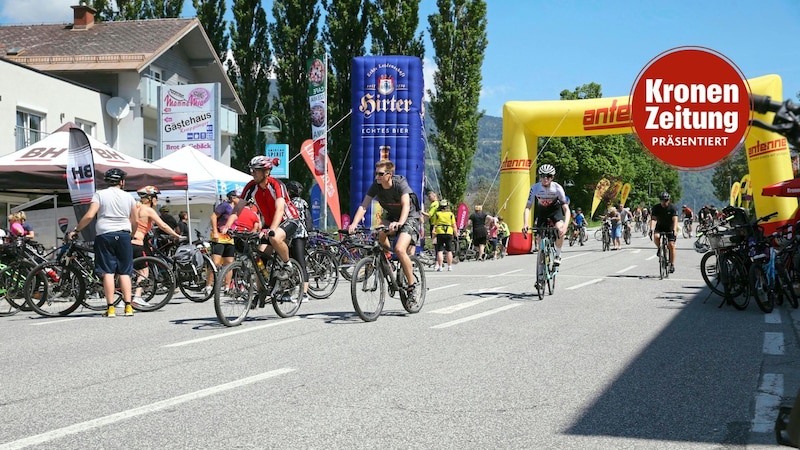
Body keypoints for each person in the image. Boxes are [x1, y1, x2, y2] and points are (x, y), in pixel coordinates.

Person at [224, 156, 300, 303]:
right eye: (252, 170)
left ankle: (287, 265)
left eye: (257, 170)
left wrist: (271, 229)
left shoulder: (277, 185)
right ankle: (261, 292)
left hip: (288, 219)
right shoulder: (251, 186)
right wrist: (228, 225)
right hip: (269, 224)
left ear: (266, 172)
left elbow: (279, 209)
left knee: (274, 237)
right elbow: (238, 208)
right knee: (259, 256)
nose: (253, 173)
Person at [348, 159, 422, 303]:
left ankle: (412, 287)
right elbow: (364, 206)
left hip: (409, 217)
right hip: (392, 217)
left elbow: (406, 205)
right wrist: (353, 224)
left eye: (380, 174)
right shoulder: (376, 186)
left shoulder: (400, 183)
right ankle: (387, 258)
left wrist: (400, 222)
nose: (377, 177)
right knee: (379, 231)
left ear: (389, 174)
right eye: (376, 174)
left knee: (400, 249)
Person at [67, 168, 137, 317]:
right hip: (124, 234)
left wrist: (77, 230)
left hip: (105, 235)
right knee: (125, 272)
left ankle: (111, 308)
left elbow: (90, 215)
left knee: (108, 272)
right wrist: (132, 234)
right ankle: (128, 307)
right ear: (122, 182)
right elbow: (135, 220)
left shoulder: (100, 194)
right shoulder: (129, 197)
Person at [131, 186, 181, 308]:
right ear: (149, 198)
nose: (157, 200)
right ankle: (137, 297)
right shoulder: (148, 210)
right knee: (144, 271)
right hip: (138, 242)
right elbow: (163, 225)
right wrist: (176, 235)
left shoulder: (134, 207)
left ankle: (123, 299)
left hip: (126, 240)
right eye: (155, 197)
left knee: (125, 271)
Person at [522, 164, 570, 269]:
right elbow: (527, 207)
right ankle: (541, 271)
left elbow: (566, 209)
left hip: (555, 210)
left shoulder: (557, 188)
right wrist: (525, 223)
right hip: (542, 211)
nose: (545, 178)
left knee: (559, 230)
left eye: (548, 176)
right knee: (539, 238)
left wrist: (565, 226)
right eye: (542, 175)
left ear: (552, 177)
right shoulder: (535, 188)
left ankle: (558, 254)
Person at [205, 190, 240, 296]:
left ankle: (227, 287)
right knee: (215, 263)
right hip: (219, 237)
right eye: (239, 197)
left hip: (230, 238)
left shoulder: (238, 210)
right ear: (233, 198)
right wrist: (215, 231)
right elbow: (213, 216)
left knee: (229, 263)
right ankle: (208, 286)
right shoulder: (225, 206)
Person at [286, 180, 313, 303]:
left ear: (290, 191)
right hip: (296, 235)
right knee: (290, 263)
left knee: (298, 262)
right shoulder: (303, 202)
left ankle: (304, 293)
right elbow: (309, 218)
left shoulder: (292, 202)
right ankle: (289, 291)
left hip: (297, 235)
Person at [649, 191, 679, 273]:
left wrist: (675, 230)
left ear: (668, 200)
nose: (663, 202)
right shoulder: (656, 208)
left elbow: (675, 220)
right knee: (656, 237)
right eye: (662, 200)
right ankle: (659, 248)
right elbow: (653, 219)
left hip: (670, 227)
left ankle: (672, 264)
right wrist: (651, 229)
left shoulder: (673, 208)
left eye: (665, 200)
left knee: (671, 245)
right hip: (660, 226)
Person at [432, 199, 457, 271]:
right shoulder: (450, 214)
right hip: (449, 231)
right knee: (449, 250)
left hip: (440, 231)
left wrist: (433, 235)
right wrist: (456, 234)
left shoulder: (437, 214)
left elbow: (435, 225)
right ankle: (449, 266)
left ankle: (440, 266)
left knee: (440, 250)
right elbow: (454, 225)